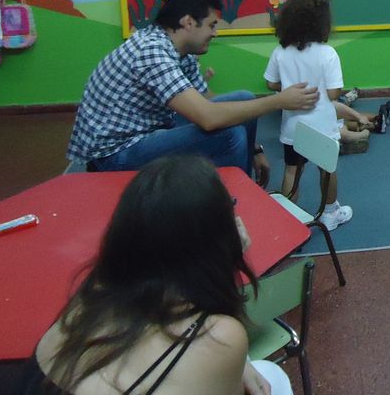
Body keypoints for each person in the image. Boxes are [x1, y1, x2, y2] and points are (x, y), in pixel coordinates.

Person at [16, 155, 293, 395]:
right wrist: (229, 262)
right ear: (218, 241)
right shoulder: (221, 335)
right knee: (273, 377)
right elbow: (204, 326)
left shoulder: (95, 287)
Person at [67, 0, 318, 185]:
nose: (215, 33)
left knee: (242, 98)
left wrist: (254, 150)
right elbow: (208, 117)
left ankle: (242, 187)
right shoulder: (151, 50)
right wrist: (278, 101)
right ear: (188, 23)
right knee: (229, 136)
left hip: (150, 130)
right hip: (114, 156)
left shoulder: (180, 50)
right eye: (211, 25)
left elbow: (206, 99)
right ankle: (231, 208)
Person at [264, 0, 352, 231]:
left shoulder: (281, 51)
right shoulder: (328, 53)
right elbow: (333, 93)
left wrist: (288, 86)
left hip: (293, 127)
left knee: (292, 170)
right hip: (322, 126)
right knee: (327, 170)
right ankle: (330, 213)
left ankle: (290, 220)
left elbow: (270, 83)